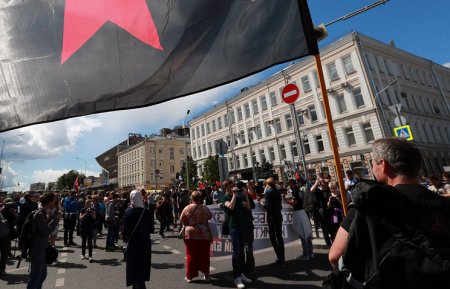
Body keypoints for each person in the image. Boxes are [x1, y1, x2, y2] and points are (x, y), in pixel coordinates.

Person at [328, 137, 450, 286]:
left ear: (383, 165)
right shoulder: (444, 202)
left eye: (373, 163)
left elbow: (335, 255)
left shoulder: (371, 202)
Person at [27, 192, 62, 289]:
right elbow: (46, 231)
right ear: (50, 202)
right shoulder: (40, 214)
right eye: (54, 201)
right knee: (35, 278)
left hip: (41, 248)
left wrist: (51, 218)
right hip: (37, 250)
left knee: (42, 276)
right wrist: (56, 220)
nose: (55, 203)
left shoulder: (43, 213)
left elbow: (43, 228)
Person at [222, 180, 252, 289]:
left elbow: (248, 207)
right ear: (226, 187)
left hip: (242, 225)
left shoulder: (238, 197)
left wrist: (246, 196)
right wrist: (234, 195)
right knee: (236, 252)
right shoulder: (225, 198)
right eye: (231, 186)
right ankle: (236, 277)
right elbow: (230, 207)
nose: (233, 188)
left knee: (241, 251)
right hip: (233, 226)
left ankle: (240, 273)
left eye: (233, 186)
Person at [180, 190, 213, 283]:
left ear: (191, 198)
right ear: (200, 198)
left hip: (190, 234)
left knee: (191, 255)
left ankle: (189, 277)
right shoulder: (205, 208)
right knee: (205, 255)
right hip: (204, 234)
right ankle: (206, 275)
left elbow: (182, 219)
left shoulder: (187, 208)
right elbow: (210, 216)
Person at [122, 190, 152, 289]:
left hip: (134, 244)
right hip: (145, 243)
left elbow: (125, 232)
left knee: (134, 268)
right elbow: (151, 228)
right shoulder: (147, 212)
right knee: (143, 266)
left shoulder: (128, 212)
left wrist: (125, 239)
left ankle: (138, 286)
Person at [286, 179, 313, 261]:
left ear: (293, 184)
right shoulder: (300, 190)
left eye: (291, 184)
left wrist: (286, 200)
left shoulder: (295, 192)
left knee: (302, 234)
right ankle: (310, 253)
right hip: (303, 212)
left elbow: (294, 203)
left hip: (298, 213)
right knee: (307, 233)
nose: (290, 186)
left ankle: (306, 254)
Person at [263, 177, 285, 266]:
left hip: (272, 217)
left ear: (268, 184)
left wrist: (261, 204)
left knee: (273, 237)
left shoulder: (268, 192)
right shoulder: (277, 191)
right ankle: (282, 257)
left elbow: (267, 206)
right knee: (279, 236)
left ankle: (279, 257)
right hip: (278, 215)